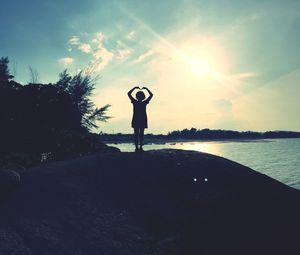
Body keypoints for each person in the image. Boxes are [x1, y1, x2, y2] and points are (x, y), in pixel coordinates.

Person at [128, 86, 153, 152]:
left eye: (140, 96)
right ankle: (137, 147)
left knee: (140, 134)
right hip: (137, 119)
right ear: (137, 96)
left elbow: (151, 95)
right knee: (137, 134)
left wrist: (146, 89)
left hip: (141, 119)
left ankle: (140, 147)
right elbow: (128, 94)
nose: (140, 97)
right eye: (139, 96)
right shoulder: (135, 102)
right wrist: (134, 88)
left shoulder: (142, 102)